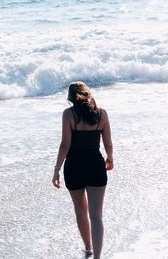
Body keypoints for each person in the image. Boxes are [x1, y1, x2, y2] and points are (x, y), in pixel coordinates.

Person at [52, 81, 113, 259]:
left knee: (80, 211)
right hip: (95, 165)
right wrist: (110, 158)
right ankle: (97, 257)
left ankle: (88, 248)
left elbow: (65, 144)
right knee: (96, 216)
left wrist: (57, 169)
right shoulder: (101, 114)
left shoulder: (68, 114)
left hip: (74, 167)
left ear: (71, 97)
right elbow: (108, 143)